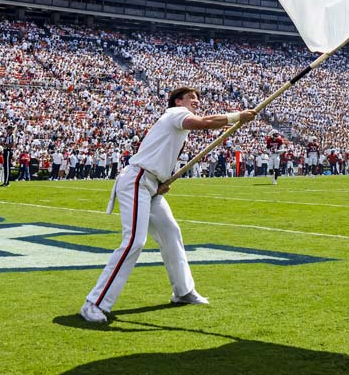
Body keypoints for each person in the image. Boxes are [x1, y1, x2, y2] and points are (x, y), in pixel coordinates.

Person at [80, 87, 255, 324]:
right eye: (191, 97)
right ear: (177, 101)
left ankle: (183, 291)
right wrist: (236, 117)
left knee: (171, 232)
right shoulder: (174, 113)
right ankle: (94, 303)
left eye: (198, 98)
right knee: (134, 241)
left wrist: (161, 181)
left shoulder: (177, 124)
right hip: (137, 181)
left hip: (151, 184)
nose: (196, 101)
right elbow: (203, 123)